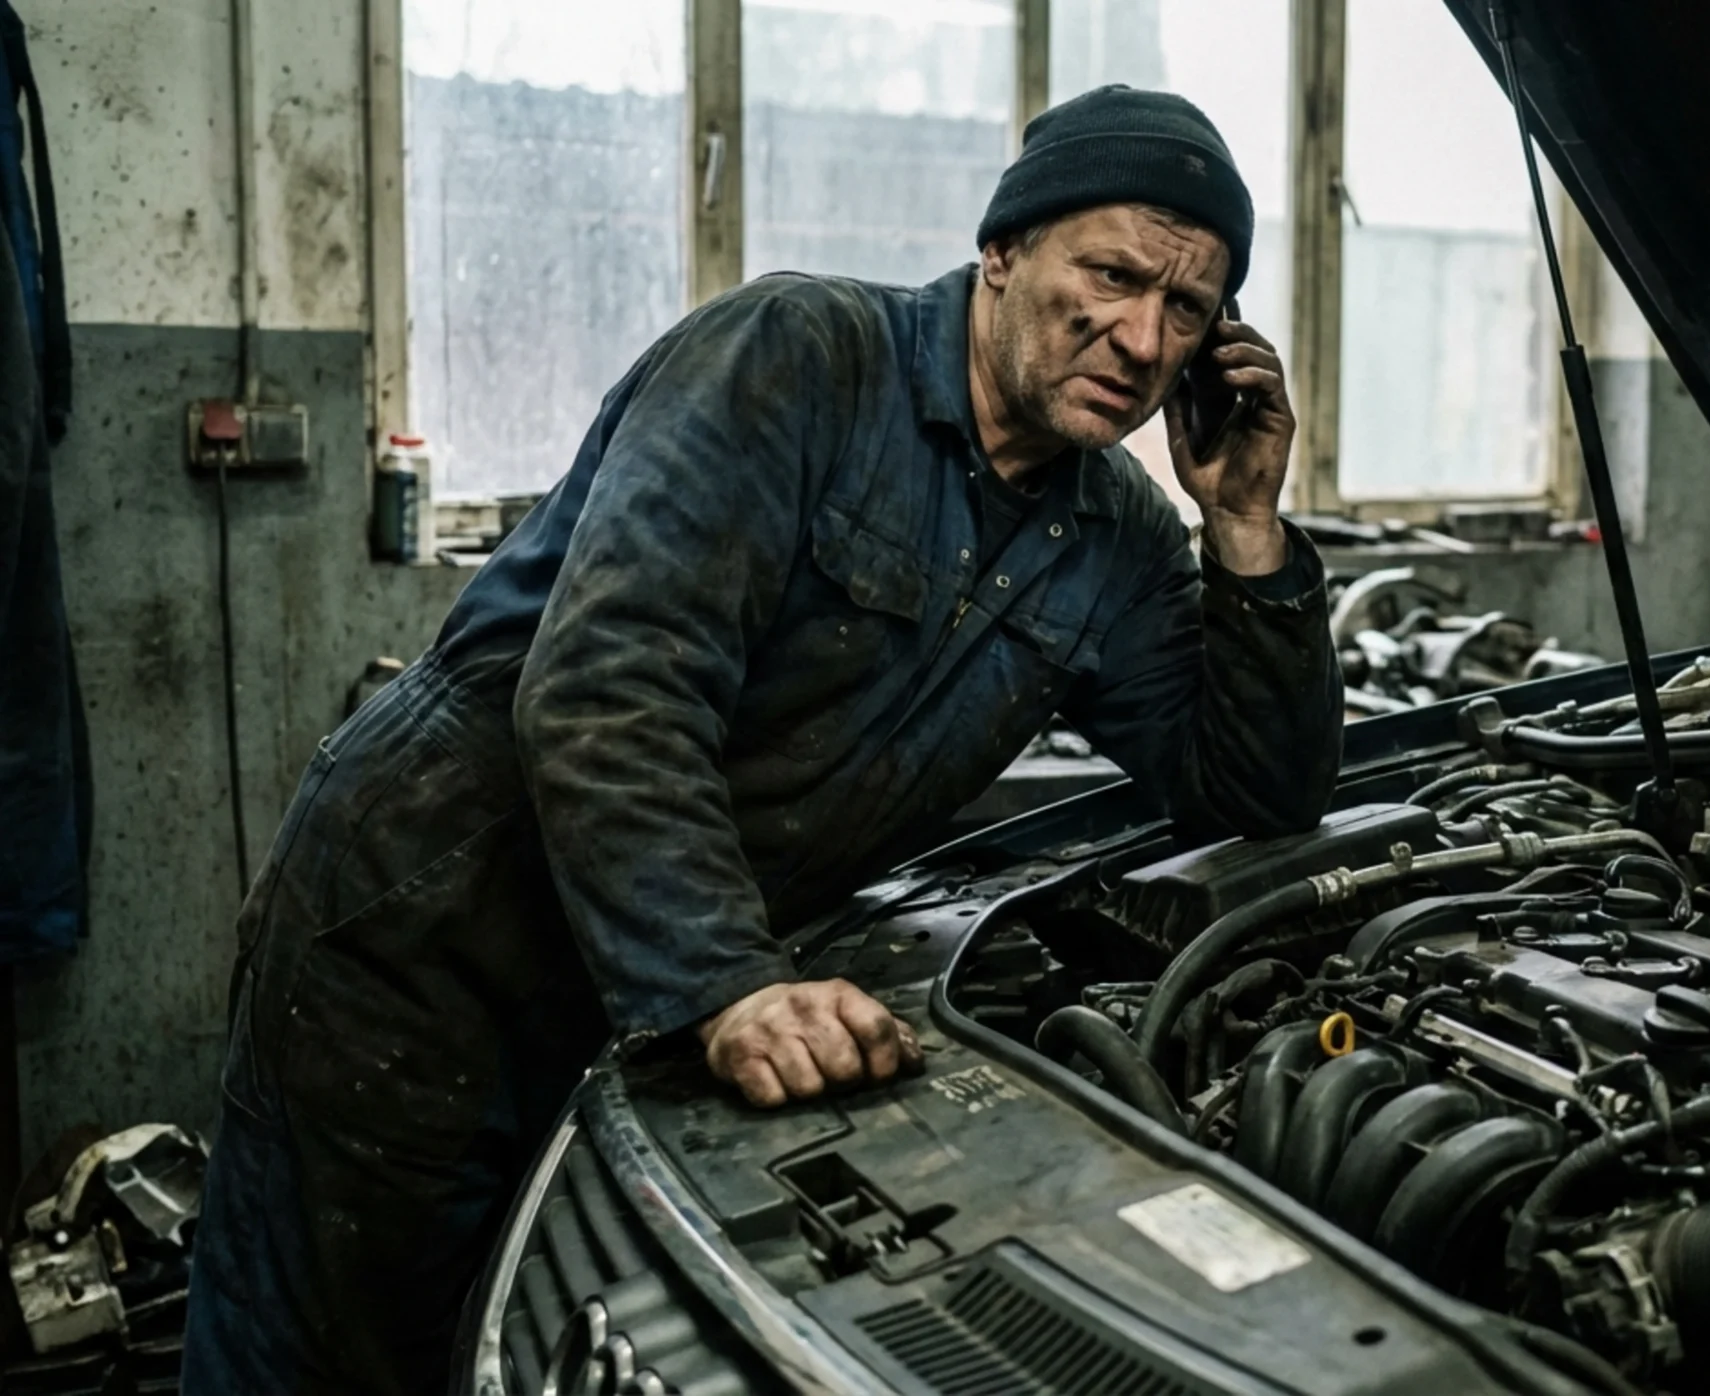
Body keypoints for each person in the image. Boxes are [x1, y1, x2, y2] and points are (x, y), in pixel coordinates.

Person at [182, 84, 1342, 1395]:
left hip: (629, 974)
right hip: (429, 931)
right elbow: (613, 688)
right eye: (1113, 273)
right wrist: (726, 985)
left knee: (520, 1348)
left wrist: (1245, 526)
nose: (1140, 337)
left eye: (1185, 311)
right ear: (1003, 250)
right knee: (334, 1357)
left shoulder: (1118, 535)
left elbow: (1253, 790)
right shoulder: (798, 357)